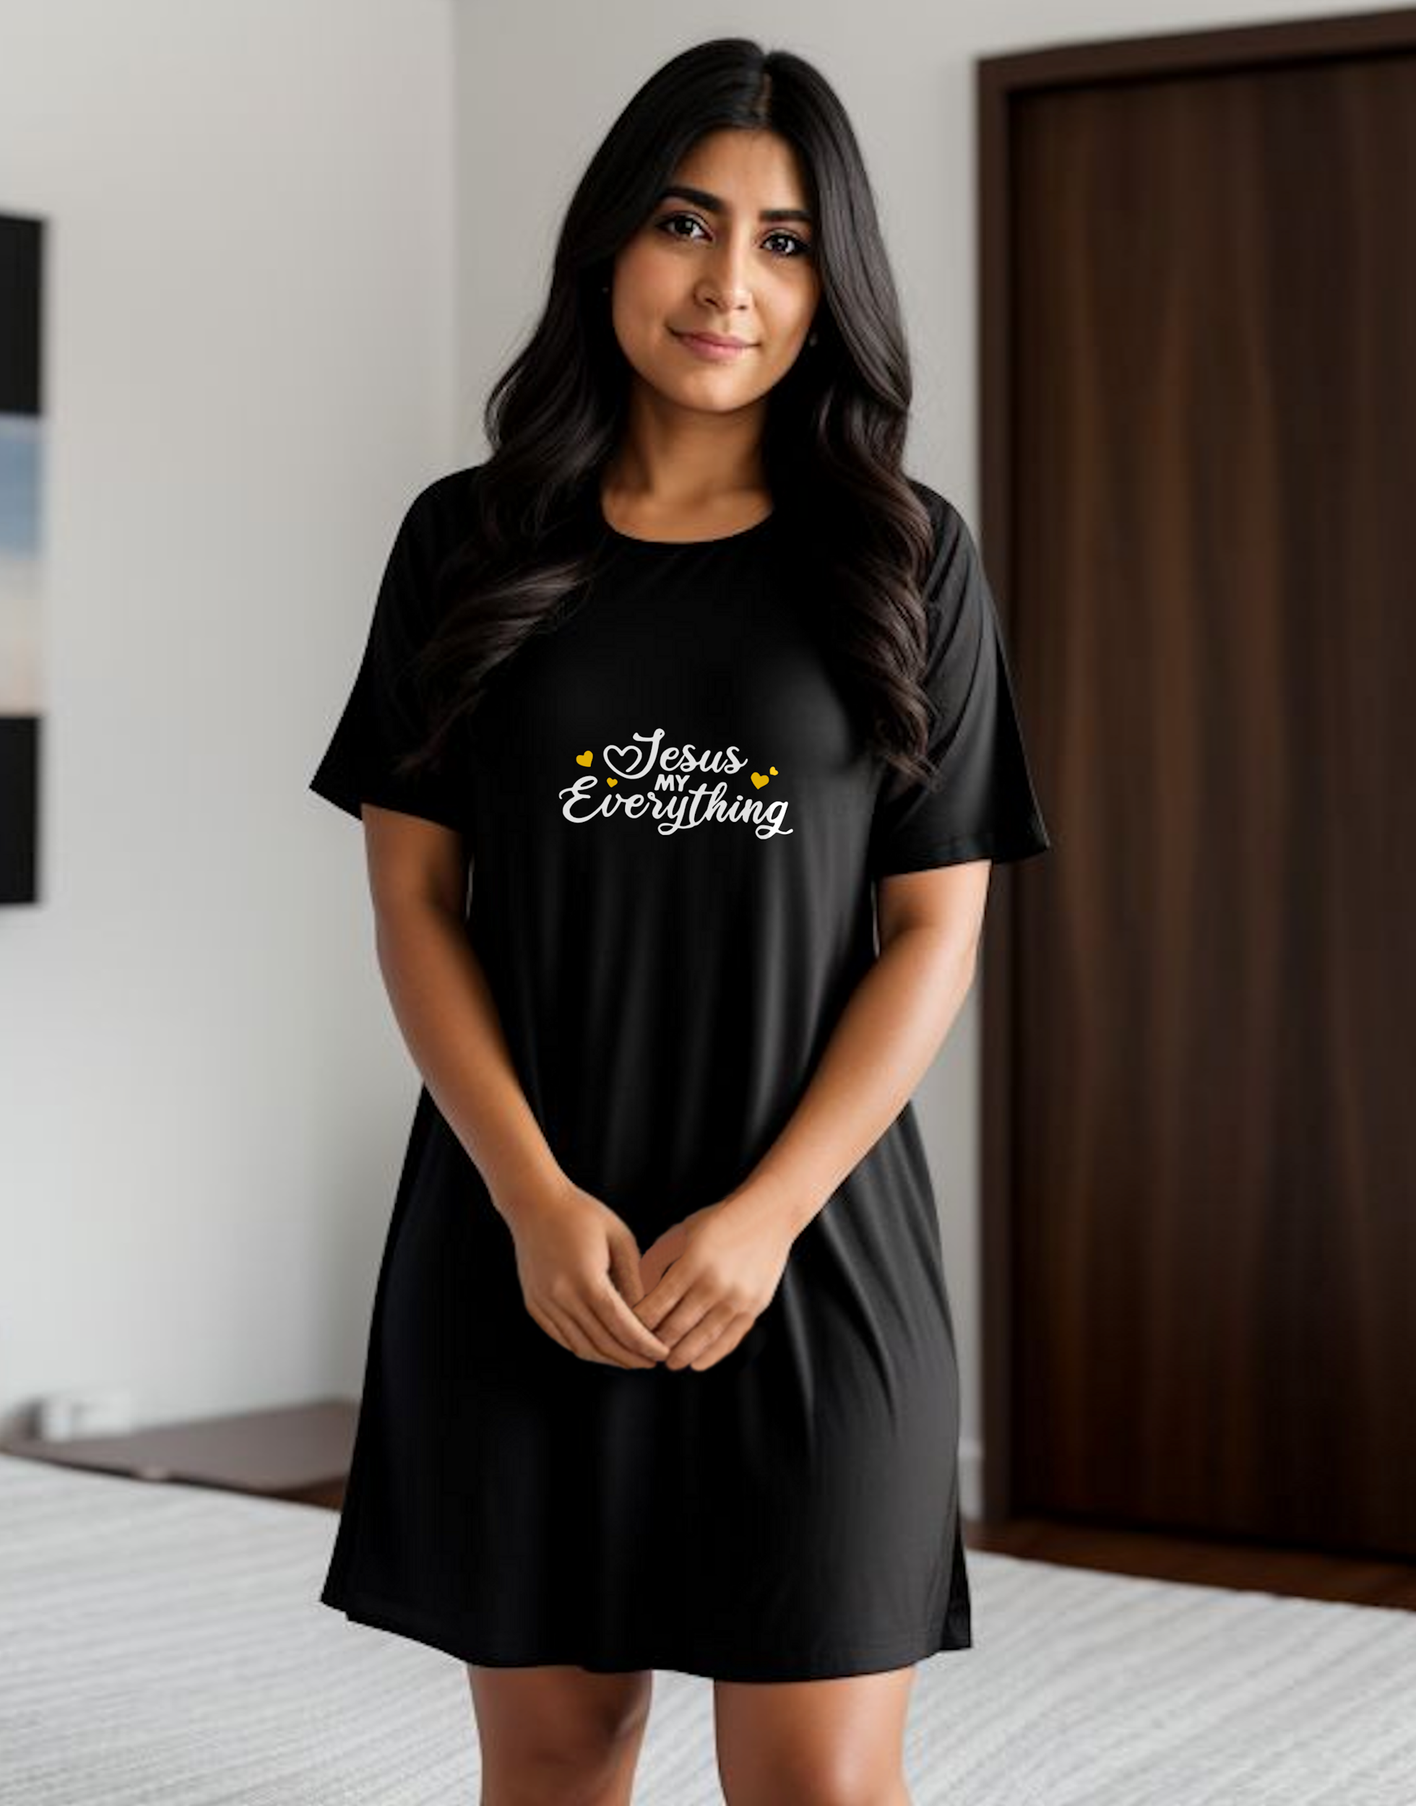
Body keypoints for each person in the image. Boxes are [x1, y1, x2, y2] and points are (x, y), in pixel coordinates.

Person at [308, 34, 1052, 1806]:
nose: (731, 283)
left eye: (786, 242)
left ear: (832, 281)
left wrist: (764, 1215)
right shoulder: (467, 542)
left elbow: (932, 933)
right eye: (685, 222)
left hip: (806, 1245)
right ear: (609, 247)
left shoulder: (903, 556)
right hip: (526, 1237)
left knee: (820, 1779)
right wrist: (533, 1197)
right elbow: (415, 897)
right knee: (560, 1757)